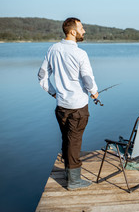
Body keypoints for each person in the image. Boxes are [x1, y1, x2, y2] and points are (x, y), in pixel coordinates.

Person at [38, 17, 99, 190]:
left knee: (67, 139)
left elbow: (42, 76)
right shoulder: (80, 54)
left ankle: (67, 172)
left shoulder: (53, 49)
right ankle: (74, 181)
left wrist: (54, 93)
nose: (84, 31)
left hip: (61, 106)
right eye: (81, 28)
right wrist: (94, 92)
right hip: (77, 107)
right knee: (74, 142)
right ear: (73, 31)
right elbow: (87, 79)